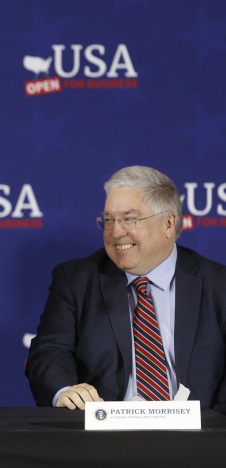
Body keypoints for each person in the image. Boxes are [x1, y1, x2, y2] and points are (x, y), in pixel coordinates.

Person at [26, 165, 226, 413]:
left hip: (200, 438)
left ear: (168, 224)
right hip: (106, 437)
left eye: (130, 219)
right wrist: (66, 390)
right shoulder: (76, 281)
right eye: (109, 220)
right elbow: (49, 353)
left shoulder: (219, 285)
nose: (116, 232)